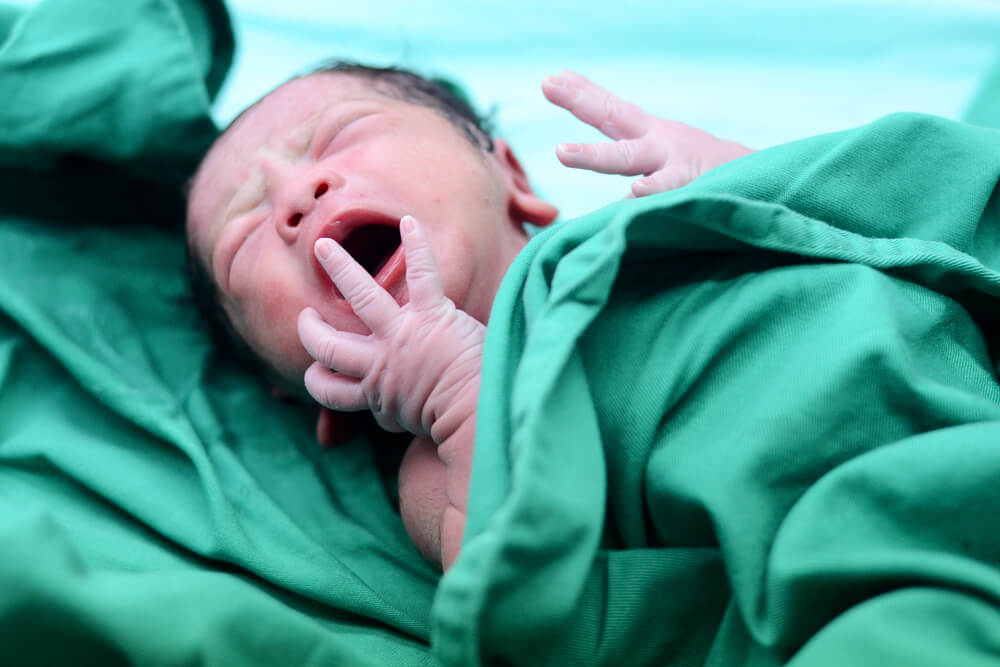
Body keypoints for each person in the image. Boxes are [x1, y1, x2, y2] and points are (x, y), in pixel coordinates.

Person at [185, 62, 752, 569]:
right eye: (243, 236)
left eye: (341, 135)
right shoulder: (438, 476)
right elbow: (530, 595)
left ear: (510, 174)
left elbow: (836, 243)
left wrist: (751, 184)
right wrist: (463, 395)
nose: (298, 196)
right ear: (312, 392)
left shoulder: (658, 232)